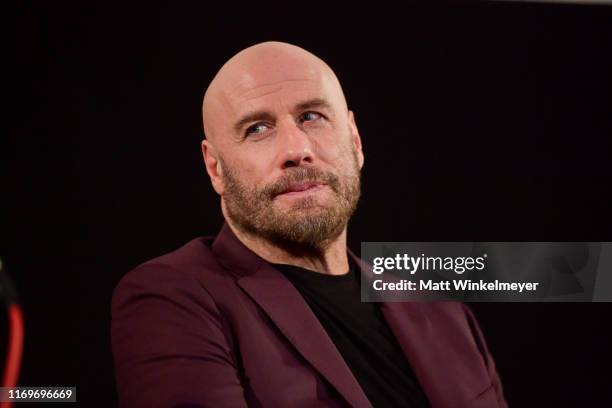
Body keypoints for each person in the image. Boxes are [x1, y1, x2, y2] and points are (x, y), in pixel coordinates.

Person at [111, 41, 507, 408]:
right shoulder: (172, 298)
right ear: (214, 168)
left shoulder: (440, 308)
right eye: (257, 129)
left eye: (312, 117)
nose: (296, 150)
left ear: (354, 139)